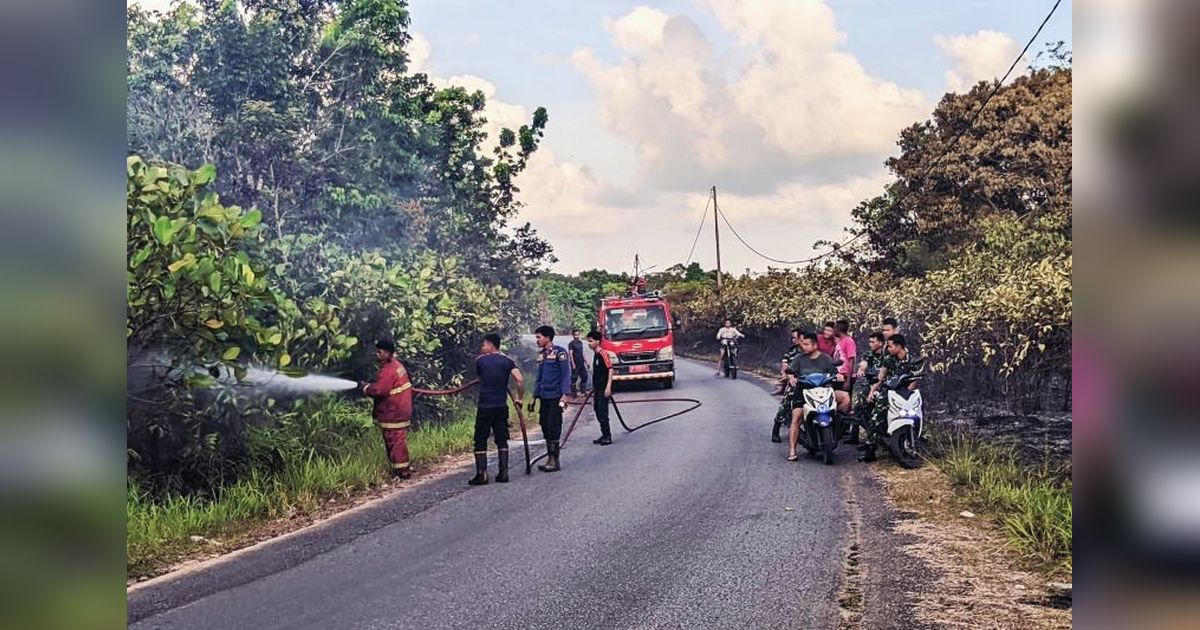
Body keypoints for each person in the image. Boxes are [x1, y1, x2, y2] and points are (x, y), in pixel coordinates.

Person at [468, 333, 525, 486]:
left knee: (480, 438)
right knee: (501, 438)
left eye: (484, 345)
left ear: (490, 344)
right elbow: (519, 379)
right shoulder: (508, 361)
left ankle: (482, 474)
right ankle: (504, 473)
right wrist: (519, 399)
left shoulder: (480, 360)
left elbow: (481, 376)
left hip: (485, 405)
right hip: (501, 406)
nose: (482, 348)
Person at [786, 332, 851, 461]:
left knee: (845, 398)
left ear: (815, 345)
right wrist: (791, 377)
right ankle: (792, 450)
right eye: (802, 344)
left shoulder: (826, 359)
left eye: (806, 344)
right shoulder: (798, 359)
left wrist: (839, 376)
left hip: (824, 391)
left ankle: (837, 426)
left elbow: (835, 373)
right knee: (797, 416)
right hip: (803, 391)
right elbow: (790, 372)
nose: (803, 346)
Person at [360, 339, 415, 479]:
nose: (377, 354)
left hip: (393, 411)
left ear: (388, 353)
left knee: (394, 440)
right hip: (400, 409)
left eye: (380, 352)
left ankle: (402, 471)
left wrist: (366, 388)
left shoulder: (389, 370)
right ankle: (400, 468)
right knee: (397, 439)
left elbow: (379, 390)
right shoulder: (396, 365)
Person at [861, 333, 919, 463]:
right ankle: (870, 449)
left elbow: (914, 380)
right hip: (889, 391)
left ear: (899, 346)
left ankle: (917, 439)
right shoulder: (888, 359)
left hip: (906, 392)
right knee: (876, 416)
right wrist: (872, 391)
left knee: (916, 412)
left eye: (890, 346)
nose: (888, 348)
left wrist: (907, 392)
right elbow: (880, 378)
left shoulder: (911, 360)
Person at [528, 325, 573, 472]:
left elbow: (565, 374)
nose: (537, 340)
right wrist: (534, 396)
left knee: (553, 425)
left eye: (539, 337)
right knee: (544, 424)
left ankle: (554, 460)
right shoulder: (542, 355)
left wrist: (565, 394)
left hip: (555, 396)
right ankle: (549, 458)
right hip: (544, 396)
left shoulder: (560, 353)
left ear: (547, 337)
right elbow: (539, 377)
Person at [849, 331, 886, 445]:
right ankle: (856, 436)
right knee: (858, 405)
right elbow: (863, 363)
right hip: (871, 384)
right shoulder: (869, 354)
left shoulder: (887, 355)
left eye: (873, 342)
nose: (871, 344)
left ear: (880, 343)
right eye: (870, 342)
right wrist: (861, 369)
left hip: (885, 385)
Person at [772, 328, 805, 442]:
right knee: (787, 402)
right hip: (794, 381)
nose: (793, 340)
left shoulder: (812, 352)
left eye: (795, 338)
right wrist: (786, 375)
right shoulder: (792, 351)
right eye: (793, 338)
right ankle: (776, 429)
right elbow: (785, 365)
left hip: (810, 382)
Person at [586, 330, 615, 445]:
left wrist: (608, 387)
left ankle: (608, 436)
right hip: (597, 388)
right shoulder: (596, 354)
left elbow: (610, 369)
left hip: (603, 388)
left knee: (603, 412)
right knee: (597, 410)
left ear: (598, 341)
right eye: (588, 341)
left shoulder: (603, 354)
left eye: (591, 341)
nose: (589, 344)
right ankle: (603, 434)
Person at [833, 320, 857, 393]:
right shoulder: (840, 341)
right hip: (839, 375)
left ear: (838, 329)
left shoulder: (849, 341)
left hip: (845, 376)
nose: (833, 330)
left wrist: (848, 381)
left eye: (835, 328)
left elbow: (851, 360)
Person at [567, 329, 589, 394]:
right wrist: (573, 364)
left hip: (581, 363)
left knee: (584, 377)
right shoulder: (571, 344)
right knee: (574, 378)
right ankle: (574, 393)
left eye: (578, 334)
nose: (577, 336)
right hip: (575, 363)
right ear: (573, 335)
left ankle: (583, 391)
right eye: (575, 335)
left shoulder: (580, 342)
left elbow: (582, 353)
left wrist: (586, 362)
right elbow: (570, 354)